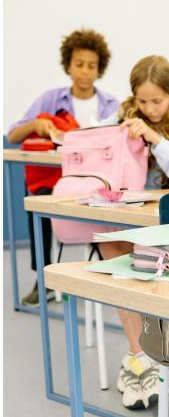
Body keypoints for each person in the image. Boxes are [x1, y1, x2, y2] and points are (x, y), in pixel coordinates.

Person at [97, 55, 169, 411]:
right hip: (130, 215)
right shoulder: (122, 116)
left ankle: (165, 351)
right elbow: (93, 142)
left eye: (156, 101)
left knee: (153, 260)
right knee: (114, 247)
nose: (149, 108)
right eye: (142, 101)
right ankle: (138, 355)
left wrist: (156, 139)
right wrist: (115, 133)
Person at [8, 28, 118, 306]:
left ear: (99, 69)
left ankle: (106, 273)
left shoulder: (110, 105)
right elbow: (13, 136)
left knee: (110, 209)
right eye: (79, 64)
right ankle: (43, 280)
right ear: (68, 65)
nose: (84, 71)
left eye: (91, 66)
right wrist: (35, 125)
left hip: (93, 182)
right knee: (40, 202)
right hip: (53, 180)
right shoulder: (49, 99)